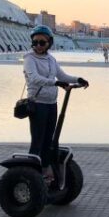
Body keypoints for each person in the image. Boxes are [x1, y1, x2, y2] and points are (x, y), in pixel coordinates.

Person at [23, 25, 89, 182]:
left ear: (49, 43)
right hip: (37, 104)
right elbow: (34, 78)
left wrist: (78, 79)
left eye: (42, 42)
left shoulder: (51, 59)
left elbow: (62, 76)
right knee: (38, 140)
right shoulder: (29, 59)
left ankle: (45, 171)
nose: (38, 45)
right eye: (35, 42)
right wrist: (56, 83)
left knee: (50, 140)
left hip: (51, 104)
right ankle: (32, 174)